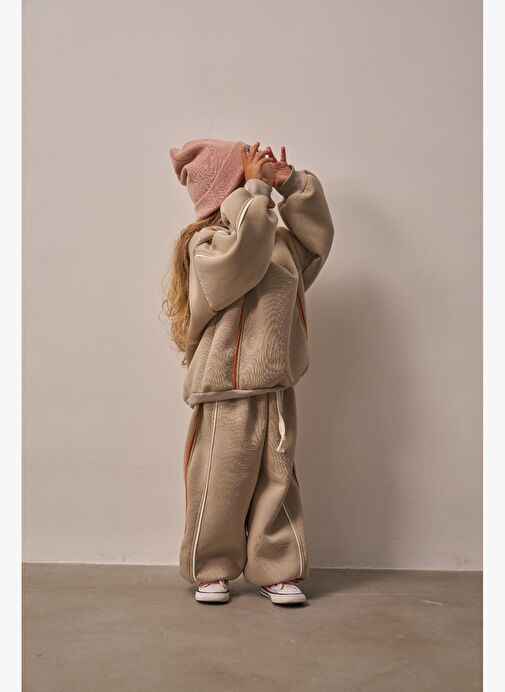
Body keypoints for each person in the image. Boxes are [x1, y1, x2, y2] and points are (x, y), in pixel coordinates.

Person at [165, 139, 334, 605]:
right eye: (246, 175)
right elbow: (244, 258)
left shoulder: (278, 245)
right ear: (229, 191)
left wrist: (292, 185)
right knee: (219, 483)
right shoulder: (206, 247)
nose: (257, 179)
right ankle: (211, 568)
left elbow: (316, 241)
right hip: (224, 391)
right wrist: (257, 193)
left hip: (274, 386)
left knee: (277, 487)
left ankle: (276, 568)